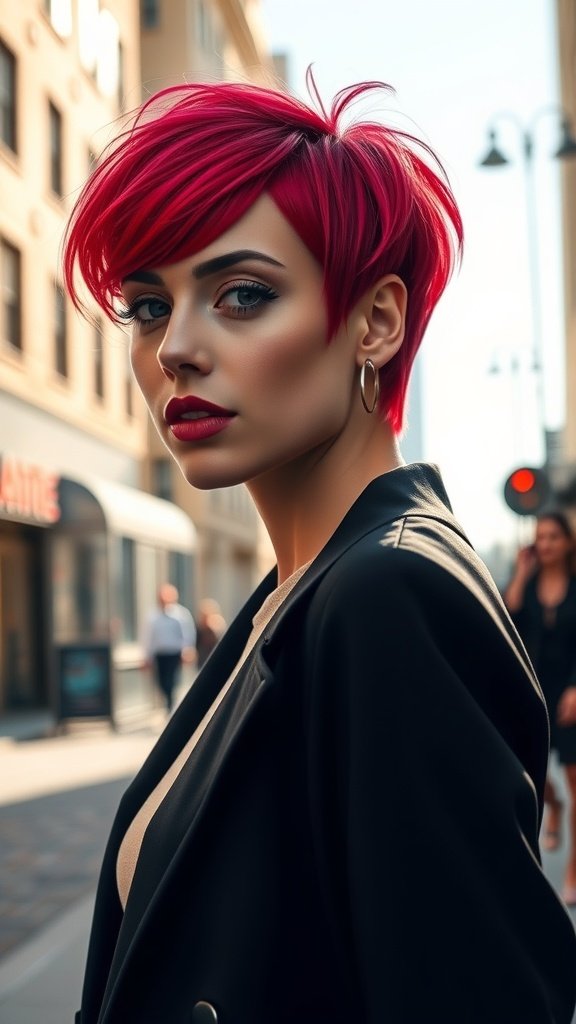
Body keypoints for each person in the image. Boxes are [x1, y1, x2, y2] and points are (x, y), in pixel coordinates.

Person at [63, 75, 576, 1024]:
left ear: (374, 321)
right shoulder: (298, 591)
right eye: (145, 305)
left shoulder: (387, 594)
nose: (175, 346)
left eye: (243, 293)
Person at [504, 512, 576, 903]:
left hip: (570, 692)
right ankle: (554, 805)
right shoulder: (527, 586)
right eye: (540, 538)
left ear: (567, 543)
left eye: (553, 537)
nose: (545, 544)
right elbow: (507, 614)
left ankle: (573, 870)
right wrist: (520, 570)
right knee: (529, 771)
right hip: (535, 690)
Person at [142, 583, 197, 712]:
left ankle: (171, 705)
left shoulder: (181, 614)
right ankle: (168, 700)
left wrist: (188, 650)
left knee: (171, 680)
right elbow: (148, 637)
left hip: (174, 653)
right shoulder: (152, 616)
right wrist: (146, 656)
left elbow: (188, 634)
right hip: (160, 654)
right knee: (162, 681)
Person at [195, 597, 226, 670]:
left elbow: (220, 639)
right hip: (203, 656)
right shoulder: (200, 626)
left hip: (215, 655)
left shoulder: (217, 623)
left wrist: (212, 627)